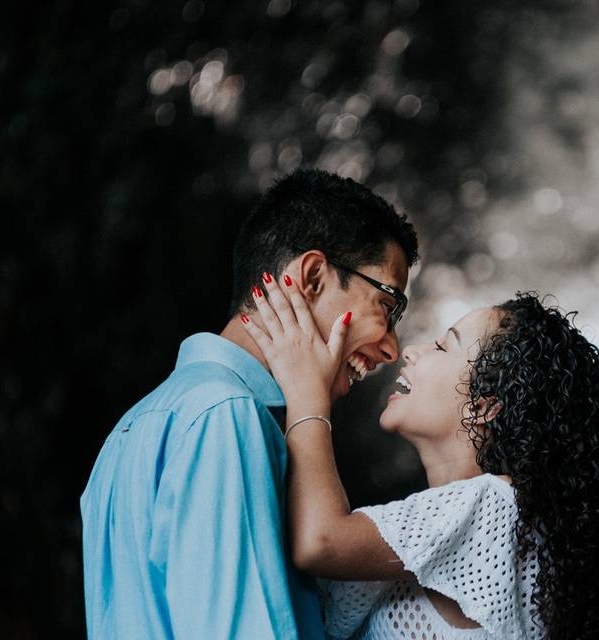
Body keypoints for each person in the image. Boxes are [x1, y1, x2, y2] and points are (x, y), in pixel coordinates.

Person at [80, 169, 419, 638]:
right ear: (313, 276)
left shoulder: (130, 429)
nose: (392, 349)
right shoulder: (227, 416)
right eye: (388, 306)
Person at [241, 283, 599, 639]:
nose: (411, 352)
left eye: (442, 345)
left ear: (483, 406)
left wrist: (307, 390)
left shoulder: (496, 507)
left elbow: (320, 543)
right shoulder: (445, 522)